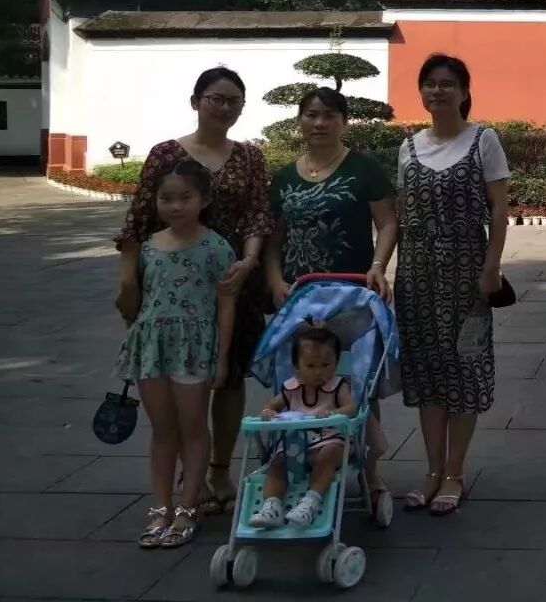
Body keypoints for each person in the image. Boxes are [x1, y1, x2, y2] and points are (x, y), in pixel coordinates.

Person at [115, 67, 273, 515]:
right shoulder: (165, 154)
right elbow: (138, 220)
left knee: (228, 377)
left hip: (231, 281)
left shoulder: (249, 157)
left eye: (233, 101)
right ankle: (190, 477)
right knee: (178, 381)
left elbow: (258, 215)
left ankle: (219, 469)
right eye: (215, 98)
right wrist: (128, 280)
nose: (224, 107)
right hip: (175, 286)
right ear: (196, 101)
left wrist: (248, 261)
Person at [264, 87, 398, 505]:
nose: (319, 123)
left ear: (344, 121)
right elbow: (273, 237)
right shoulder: (284, 178)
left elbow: (388, 223)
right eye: (311, 114)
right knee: (297, 380)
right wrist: (274, 280)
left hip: (351, 298)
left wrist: (377, 267)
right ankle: (291, 468)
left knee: (358, 383)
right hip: (298, 298)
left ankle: (370, 472)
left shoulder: (364, 169)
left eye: (329, 115)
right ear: (299, 120)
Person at [396, 53, 510, 515]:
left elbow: (498, 211)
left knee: (465, 367)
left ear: (464, 92)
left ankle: (455, 472)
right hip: (417, 274)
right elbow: (402, 213)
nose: (438, 91)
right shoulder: (408, 146)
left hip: (467, 274)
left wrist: (491, 268)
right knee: (427, 371)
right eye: (430, 84)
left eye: (447, 84)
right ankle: (431, 470)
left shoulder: (483, 140)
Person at [114, 159, 236, 548]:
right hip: (152, 346)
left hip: (194, 348)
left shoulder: (217, 247)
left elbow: (226, 306)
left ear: (204, 200)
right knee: (163, 430)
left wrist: (222, 358)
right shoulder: (148, 247)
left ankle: (188, 506)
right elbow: (136, 300)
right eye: (166, 198)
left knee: (194, 428)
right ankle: (161, 507)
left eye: (185, 197)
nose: (175, 205)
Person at [249, 326, 357, 529]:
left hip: (329, 439)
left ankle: (311, 501)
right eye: (311, 365)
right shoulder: (292, 388)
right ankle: (272, 505)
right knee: (277, 462)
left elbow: (351, 407)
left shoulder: (337, 386)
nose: (319, 371)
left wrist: (335, 413)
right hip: (296, 444)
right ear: (297, 366)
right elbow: (271, 405)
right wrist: (268, 412)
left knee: (329, 454)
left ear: (336, 363)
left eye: (326, 365)